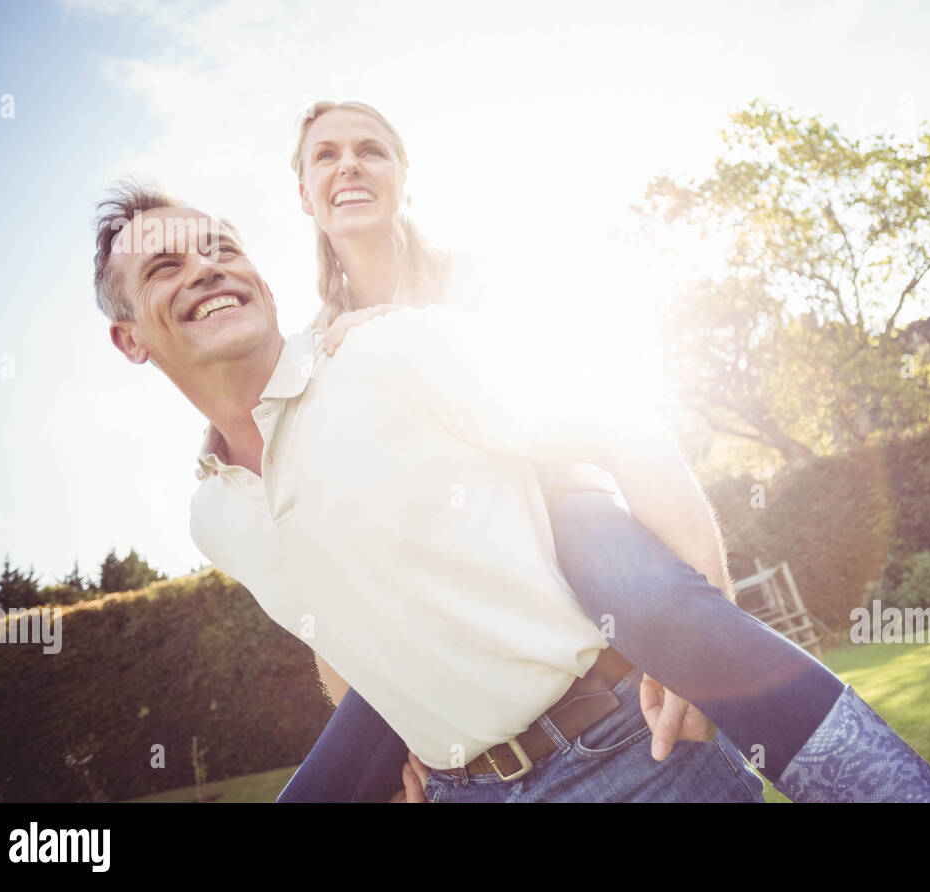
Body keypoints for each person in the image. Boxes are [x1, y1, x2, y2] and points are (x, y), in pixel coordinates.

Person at [275, 100, 930, 804]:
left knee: (651, 596)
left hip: (562, 509)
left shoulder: (476, 279)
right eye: (326, 155)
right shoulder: (313, 364)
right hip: (452, 585)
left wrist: (704, 641)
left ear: (404, 176)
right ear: (304, 191)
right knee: (326, 781)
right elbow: (340, 578)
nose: (350, 165)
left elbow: (603, 409)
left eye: (371, 149)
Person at [95, 185, 766, 803]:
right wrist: (402, 756)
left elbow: (622, 425)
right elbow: (333, 632)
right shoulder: (213, 517)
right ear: (129, 340)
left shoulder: (380, 351)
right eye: (163, 268)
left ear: (262, 282)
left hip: (637, 752)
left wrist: (703, 644)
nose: (206, 270)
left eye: (222, 250)